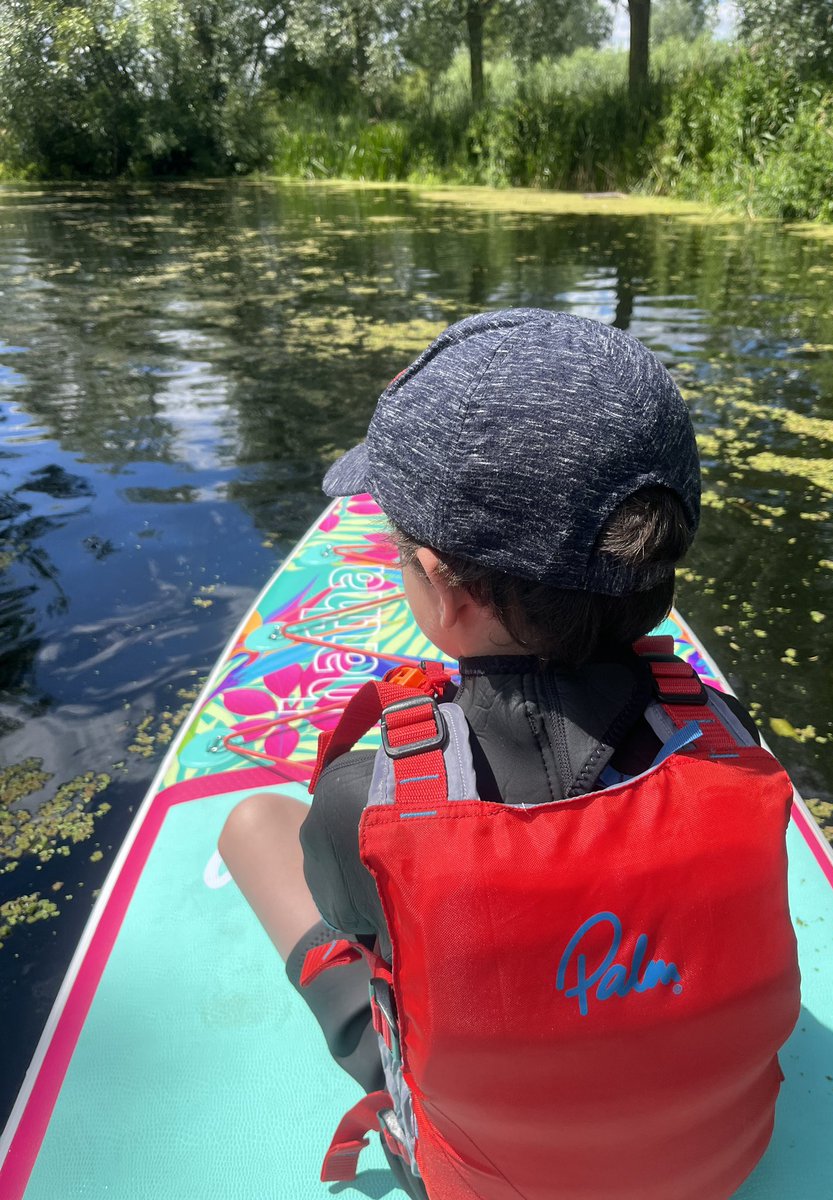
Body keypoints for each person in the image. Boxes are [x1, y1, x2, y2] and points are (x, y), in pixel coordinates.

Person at [219, 309, 800, 1200]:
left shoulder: (364, 800)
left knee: (254, 825)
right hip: (719, 1163)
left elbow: (356, 929)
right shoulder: (723, 732)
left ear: (440, 587)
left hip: (487, 1179)